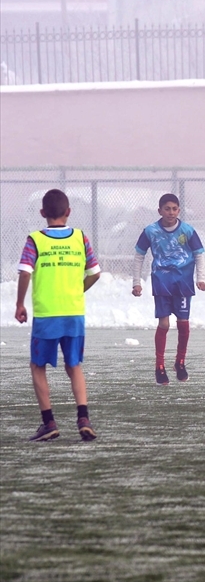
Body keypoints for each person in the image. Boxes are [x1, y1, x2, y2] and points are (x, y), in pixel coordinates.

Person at [14, 188, 101, 442]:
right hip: (74, 313)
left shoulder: (35, 240)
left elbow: (25, 272)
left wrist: (20, 303)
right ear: (68, 212)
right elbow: (95, 272)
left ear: (42, 213)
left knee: (37, 366)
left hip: (47, 315)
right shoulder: (80, 237)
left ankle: (48, 422)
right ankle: (83, 418)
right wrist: (77, 290)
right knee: (74, 365)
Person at [132, 193, 205, 385]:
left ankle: (180, 362)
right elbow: (139, 255)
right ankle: (159, 366)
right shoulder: (150, 231)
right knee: (164, 324)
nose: (171, 212)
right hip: (161, 282)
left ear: (179, 210)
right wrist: (136, 282)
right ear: (160, 211)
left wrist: (201, 278)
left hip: (183, 283)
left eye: (174, 209)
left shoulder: (188, 231)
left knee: (183, 322)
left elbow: (199, 254)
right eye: (167, 209)